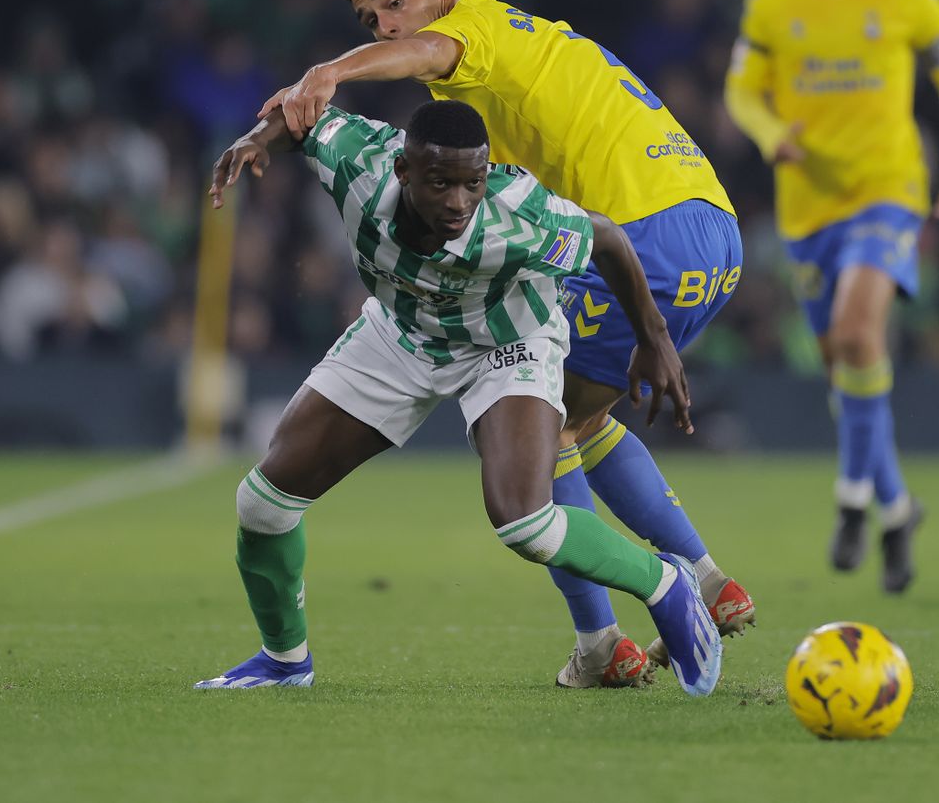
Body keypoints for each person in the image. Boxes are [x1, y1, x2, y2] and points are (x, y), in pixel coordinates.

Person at [257, 0, 754, 687]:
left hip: (642, 231)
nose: (388, 27)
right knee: (581, 425)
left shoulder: (475, 29)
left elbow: (428, 54)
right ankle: (710, 583)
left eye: (395, 3)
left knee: (537, 436)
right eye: (370, 21)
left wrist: (327, 72)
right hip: (711, 228)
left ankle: (605, 640)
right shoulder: (512, 50)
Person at [194, 100, 722, 696]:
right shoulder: (359, 161)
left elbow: (607, 238)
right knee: (263, 506)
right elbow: (300, 117)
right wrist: (257, 138)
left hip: (509, 341)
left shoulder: (517, 214)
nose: (457, 202)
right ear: (402, 170)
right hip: (401, 334)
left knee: (526, 523)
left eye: (472, 182)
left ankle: (666, 585)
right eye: (440, 182)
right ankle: (285, 663)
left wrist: (653, 337)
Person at [724, 0, 939, 593]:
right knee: (846, 366)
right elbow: (741, 87)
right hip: (807, 207)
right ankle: (897, 507)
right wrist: (767, 129)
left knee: (858, 333)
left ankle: (850, 502)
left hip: (889, 191)